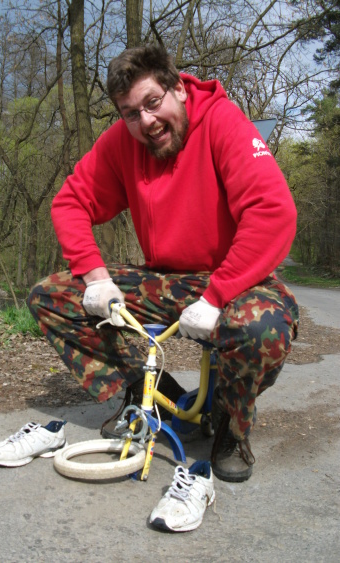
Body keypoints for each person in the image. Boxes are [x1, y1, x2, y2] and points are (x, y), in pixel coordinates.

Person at [27, 44, 298, 526]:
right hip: (166, 280)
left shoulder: (223, 122)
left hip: (234, 278)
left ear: (178, 89)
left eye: (153, 103)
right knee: (51, 296)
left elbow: (273, 212)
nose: (146, 122)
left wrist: (216, 295)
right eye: (131, 113)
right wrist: (95, 276)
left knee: (261, 328)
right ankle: (149, 391)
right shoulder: (121, 143)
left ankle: (230, 425)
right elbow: (70, 202)